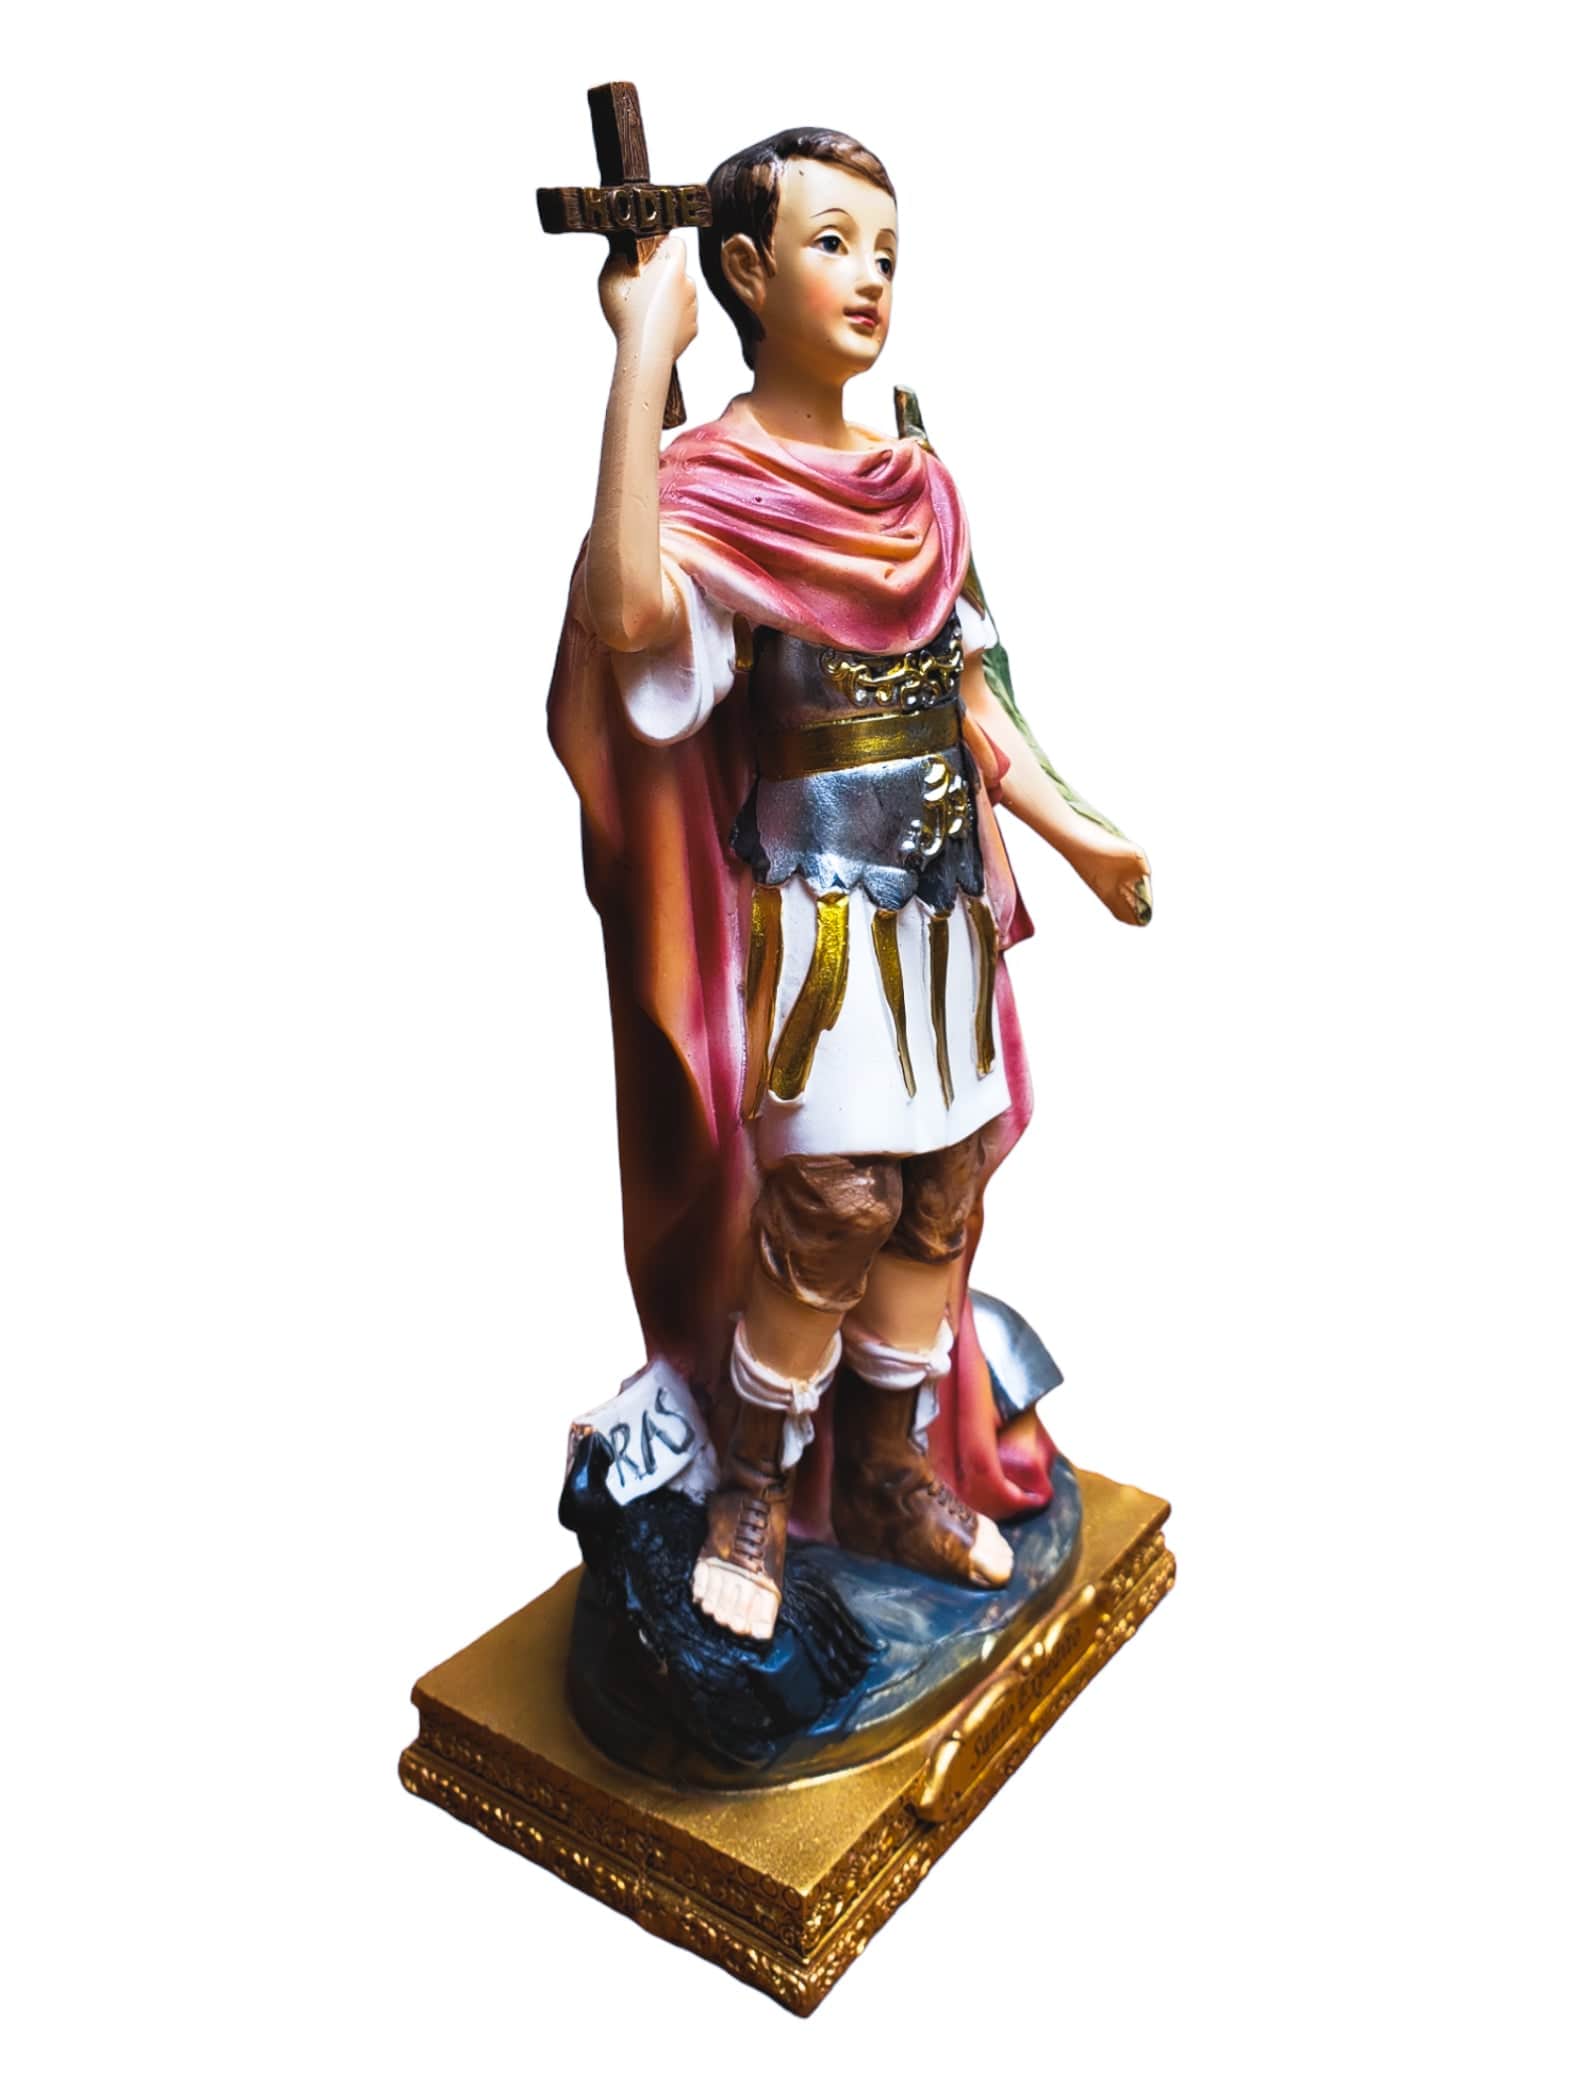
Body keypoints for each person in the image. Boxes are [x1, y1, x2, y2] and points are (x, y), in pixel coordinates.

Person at [548, 128, 1149, 1644]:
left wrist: (1080, 842)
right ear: (747, 272)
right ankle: (754, 1493)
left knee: (937, 1201)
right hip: (819, 935)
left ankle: (885, 1475)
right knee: (832, 1209)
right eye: (834, 245)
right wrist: (641, 356)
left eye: (887, 249)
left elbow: (967, 701)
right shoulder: (713, 486)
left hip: (943, 919)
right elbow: (627, 616)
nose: (873, 277)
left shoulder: (919, 488)